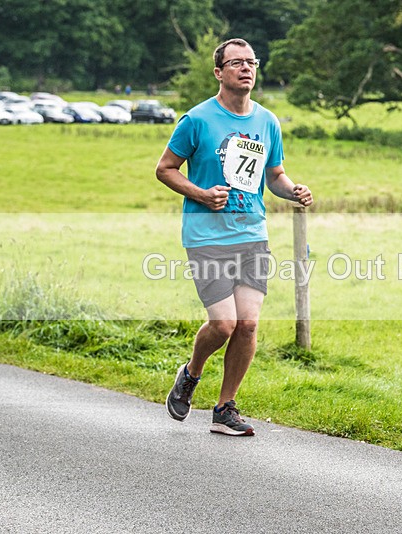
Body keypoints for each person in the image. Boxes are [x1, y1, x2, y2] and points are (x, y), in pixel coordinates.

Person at [156, 38, 313, 436]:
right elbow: (166, 169)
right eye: (237, 62)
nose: (246, 68)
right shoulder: (197, 120)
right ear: (219, 72)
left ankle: (225, 407)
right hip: (206, 235)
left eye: (252, 62)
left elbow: (274, 175)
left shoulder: (267, 122)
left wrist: (293, 189)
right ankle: (191, 373)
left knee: (247, 325)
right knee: (223, 324)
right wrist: (202, 194)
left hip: (252, 234)